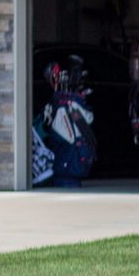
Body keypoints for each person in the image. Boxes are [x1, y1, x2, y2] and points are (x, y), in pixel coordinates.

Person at [32, 57, 96, 188]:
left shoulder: (57, 103)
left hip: (64, 170)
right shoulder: (65, 103)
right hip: (71, 168)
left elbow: (40, 130)